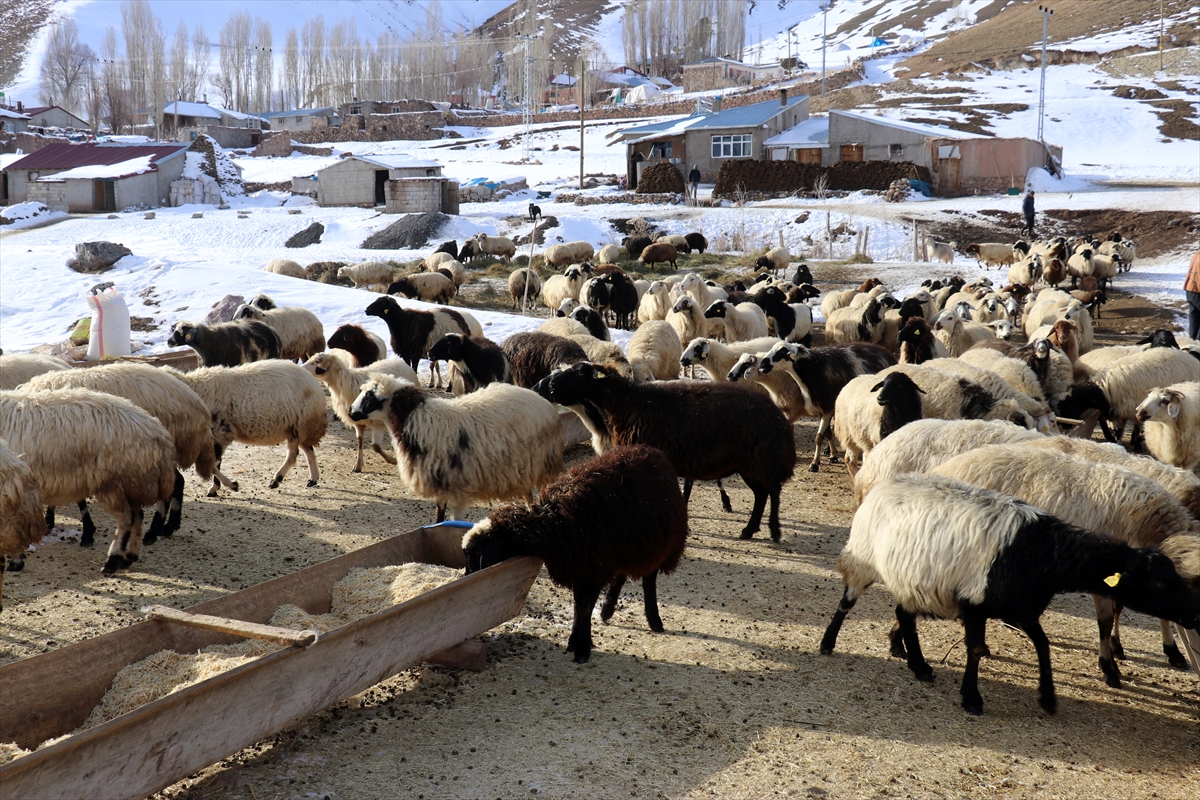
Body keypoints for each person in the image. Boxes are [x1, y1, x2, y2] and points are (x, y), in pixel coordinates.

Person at [1186, 250, 1200, 341]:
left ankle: (1192, 343)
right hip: (1198, 291)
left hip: (1190, 289)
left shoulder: (1197, 253)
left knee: (1195, 316)